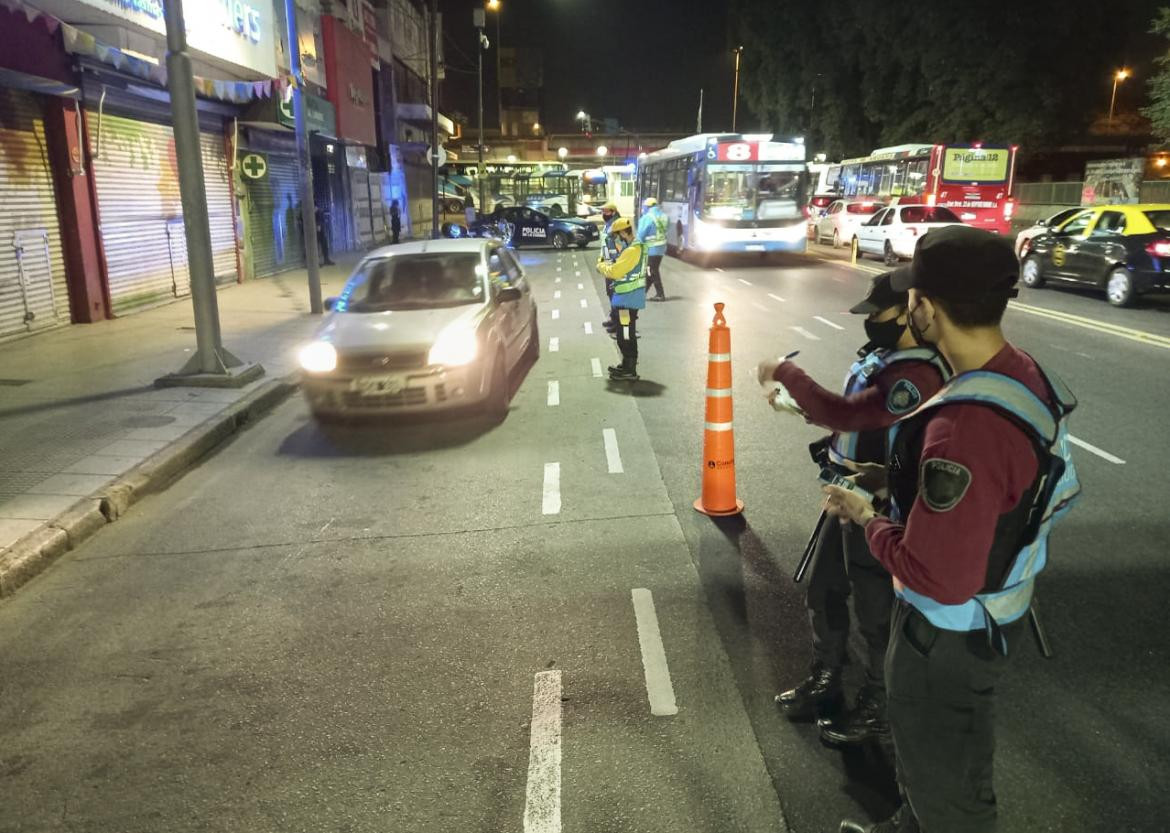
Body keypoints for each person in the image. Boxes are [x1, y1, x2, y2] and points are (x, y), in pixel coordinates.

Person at [822, 226, 1081, 833]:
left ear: (926, 309)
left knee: (952, 795)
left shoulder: (964, 427)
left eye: (914, 296)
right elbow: (1005, 494)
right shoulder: (1020, 374)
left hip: (945, 637)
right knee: (940, 767)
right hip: (998, 612)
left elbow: (938, 577)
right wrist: (895, 479)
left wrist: (868, 515)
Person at [755, 272, 949, 748]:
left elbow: (849, 414)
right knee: (822, 591)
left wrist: (785, 371)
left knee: (876, 612)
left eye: (878, 314)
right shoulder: (882, 358)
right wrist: (800, 411)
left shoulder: (919, 372)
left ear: (907, 313)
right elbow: (849, 417)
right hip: (845, 493)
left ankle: (879, 706)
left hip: (879, 506)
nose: (871, 323)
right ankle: (826, 680)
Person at [596, 216, 646, 380]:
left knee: (625, 334)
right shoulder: (634, 247)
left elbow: (616, 272)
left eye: (617, 235)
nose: (616, 239)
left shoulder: (632, 251)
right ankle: (626, 364)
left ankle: (629, 369)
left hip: (627, 300)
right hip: (629, 298)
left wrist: (601, 266)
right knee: (625, 332)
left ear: (624, 232)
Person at [637, 197, 669, 300]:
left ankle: (660, 294)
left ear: (647, 207)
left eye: (644, 207)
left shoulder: (646, 218)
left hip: (651, 248)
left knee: (652, 270)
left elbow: (641, 234)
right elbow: (667, 228)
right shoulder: (664, 216)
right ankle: (642, 294)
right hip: (661, 248)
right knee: (650, 270)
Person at [599, 201, 621, 332]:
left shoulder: (617, 225)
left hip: (615, 264)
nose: (603, 214)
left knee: (615, 293)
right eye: (603, 212)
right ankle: (613, 318)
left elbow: (620, 246)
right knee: (610, 292)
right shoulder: (608, 225)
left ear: (613, 212)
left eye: (606, 212)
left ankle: (618, 324)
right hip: (608, 263)